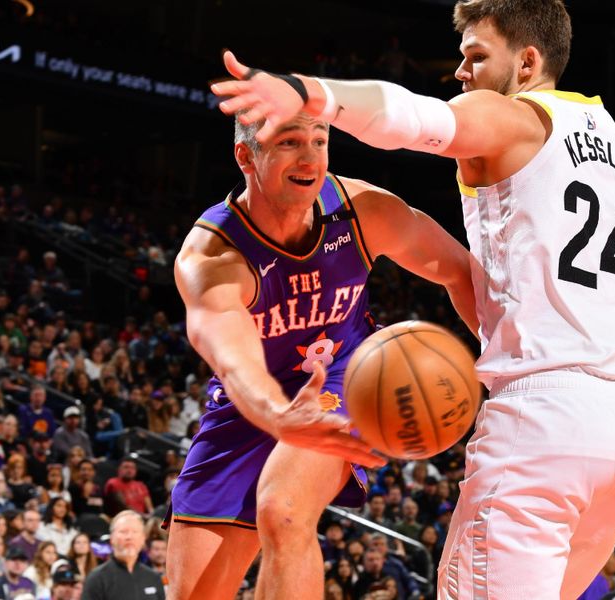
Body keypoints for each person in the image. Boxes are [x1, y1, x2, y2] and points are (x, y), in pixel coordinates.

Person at [211, 0, 615, 596]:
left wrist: (307, 92)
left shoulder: (514, 120)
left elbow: (408, 118)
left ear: (527, 62)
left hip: (544, 420)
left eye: (477, 56)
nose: (461, 73)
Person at [163, 104, 477, 599]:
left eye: (319, 140)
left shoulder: (362, 210)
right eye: (289, 142)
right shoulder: (215, 255)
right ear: (247, 155)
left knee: (283, 509)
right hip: (252, 401)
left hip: (345, 378)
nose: (310, 157)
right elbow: (230, 355)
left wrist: (512, 365)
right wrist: (277, 413)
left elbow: (462, 272)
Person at [81, 510, 164, 599]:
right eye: (123, 532)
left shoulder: (153, 578)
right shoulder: (97, 578)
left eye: (135, 532)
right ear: (112, 538)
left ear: (143, 539)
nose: (129, 537)